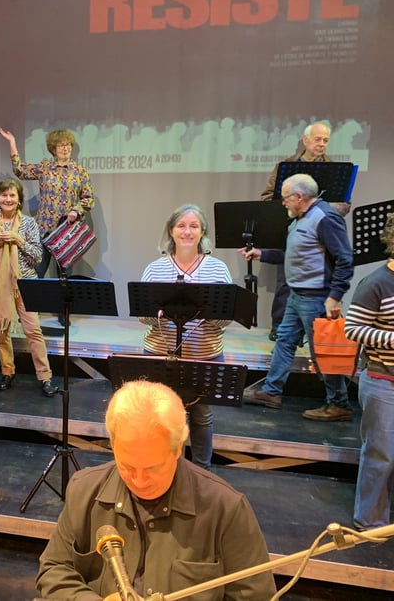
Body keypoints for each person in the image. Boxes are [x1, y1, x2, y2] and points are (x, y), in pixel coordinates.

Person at [36, 380, 276, 600]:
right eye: (127, 466)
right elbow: (54, 570)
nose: (140, 481)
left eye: (153, 468)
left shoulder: (226, 509)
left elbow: (257, 597)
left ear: (178, 449)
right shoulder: (83, 489)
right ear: (112, 445)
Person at [241, 173, 354, 420]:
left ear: (300, 196)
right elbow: (293, 254)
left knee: (322, 351)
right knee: (284, 341)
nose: (283, 202)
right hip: (296, 294)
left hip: (317, 297)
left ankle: (339, 404)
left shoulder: (325, 218)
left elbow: (345, 259)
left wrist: (335, 296)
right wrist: (262, 254)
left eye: (286, 198)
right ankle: (271, 391)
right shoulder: (298, 220)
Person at [139, 204, 232, 470]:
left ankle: (202, 471)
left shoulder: (218, 269)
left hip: (204, 355)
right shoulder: (155, 269)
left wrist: (207, 312)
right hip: (161, 354)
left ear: (203, 232)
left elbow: (226, 319)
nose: (187, 232)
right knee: (160, 416)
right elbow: (142, 316)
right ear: (171, 231)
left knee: (201, 416)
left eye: (194, 226)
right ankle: (162, 469)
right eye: (181, 226)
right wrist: (163, 313)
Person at [260, 122, 350, 340]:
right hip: (291, 229)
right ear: (306, 140)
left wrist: (320, 209)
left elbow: (345, 204)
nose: (322, 144)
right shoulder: (286, 166)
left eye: (326, 140)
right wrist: (292, 207)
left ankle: (317, 331)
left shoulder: (336, 169)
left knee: (322, 281)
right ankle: (280, 326)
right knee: (285, 281)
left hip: (323, 233)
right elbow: (267, 198)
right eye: (318, 139)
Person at [0, 178, 55, 397]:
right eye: (4, 195)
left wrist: (19, 240)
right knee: (1, 331)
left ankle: (45, 376)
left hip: (24, 284)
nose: (8, 199)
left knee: (33, 330)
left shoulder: (29, 224)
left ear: (19, 199)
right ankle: (7, 371)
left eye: (12, 195)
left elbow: (38, 257)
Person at [344, 212, 394, 530]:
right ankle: (371, 522)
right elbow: (352, 328)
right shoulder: (376, 282)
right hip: (383, 380)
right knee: (381, 454)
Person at [0, 127, 94, 284]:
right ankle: (36, 302)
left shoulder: (80, 171)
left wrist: (77, 210)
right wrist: (12, 142)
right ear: (53, 149)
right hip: (43, 230)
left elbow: (88, 199)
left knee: (64, 280)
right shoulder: (45, 167)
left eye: (68, 145)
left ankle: (62, 301)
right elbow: (20, 170)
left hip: (66, 232)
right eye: (61, 145)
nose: (66, 148)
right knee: (36, 275)